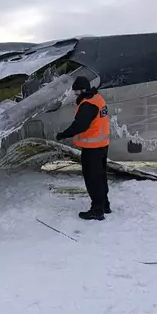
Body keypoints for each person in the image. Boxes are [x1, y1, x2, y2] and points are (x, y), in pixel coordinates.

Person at [55, 76, 110, 221]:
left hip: (92, 148)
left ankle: (97, 211)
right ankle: (105, 205)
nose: (75, 95)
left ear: (83, 90)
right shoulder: (97, 98)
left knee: (93, 180)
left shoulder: (87, 105)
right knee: (101, 177)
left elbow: (80, 125)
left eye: (77, 92)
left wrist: (63, 134)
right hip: (102, 145)